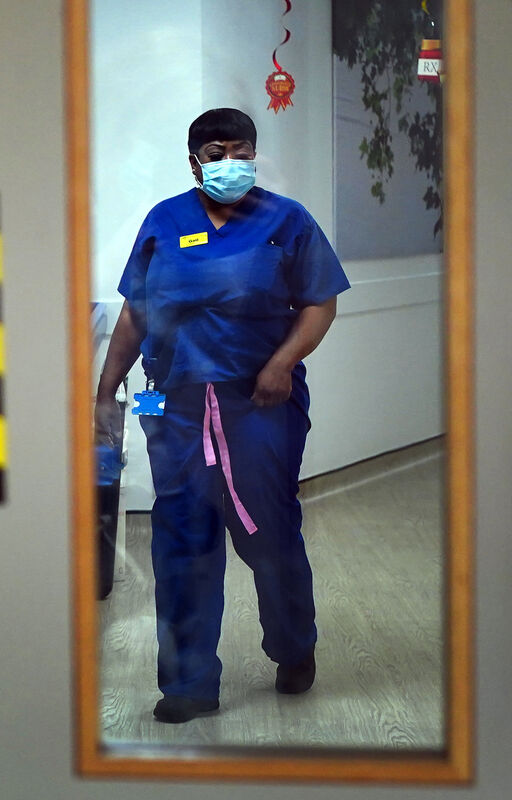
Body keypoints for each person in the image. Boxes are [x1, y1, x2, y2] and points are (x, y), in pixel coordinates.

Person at [95, 108, 350, 724]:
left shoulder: (286, 220)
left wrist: (282, 363)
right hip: (173, 404)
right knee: (181, 535)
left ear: (254, 156)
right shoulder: (164, 220)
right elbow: (135, 313)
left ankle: (294, 648)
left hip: (258, 400)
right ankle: (187, 683)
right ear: (195, 160)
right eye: (217, 151)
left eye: (241, 151)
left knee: (268, 529)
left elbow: (320, 303)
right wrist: (105, 394)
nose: (230, 162)